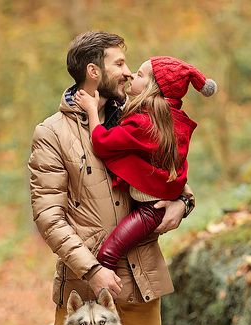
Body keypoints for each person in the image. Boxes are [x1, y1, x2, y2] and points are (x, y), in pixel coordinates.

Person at [18, 31, 196, 325]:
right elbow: (48, 214)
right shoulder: (51, 133)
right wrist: (93, 268)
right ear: (93, 71)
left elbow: (168, 170)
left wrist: (184, 203)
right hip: (85, 278)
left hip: (141, 265)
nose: (127, 69)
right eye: (119, 62)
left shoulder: (144, 114)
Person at [73, 57, 215, 269]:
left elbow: (102, 143)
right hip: (153, 203)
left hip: (150, 209)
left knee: (106, 257)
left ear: (152, 88)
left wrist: (92, 110)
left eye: (139, 74)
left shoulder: (144, 122)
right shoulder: (170, 119)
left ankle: (101, 301)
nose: (131, 75)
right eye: (120, 65)